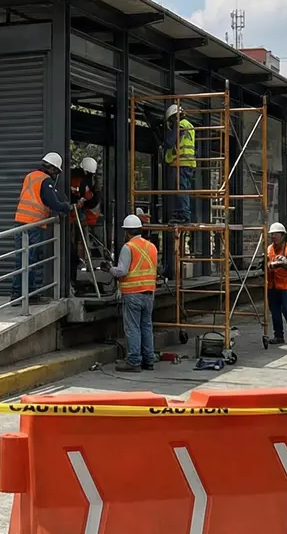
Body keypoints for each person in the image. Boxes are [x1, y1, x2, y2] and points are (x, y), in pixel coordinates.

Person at [13, 151, 77, 300]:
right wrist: (66, 207)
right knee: (30, 259)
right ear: (53, 168)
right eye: (57, 171)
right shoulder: (45, 180)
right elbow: (52, 202)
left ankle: (19, 294)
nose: (56, 175)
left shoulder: (31, 176)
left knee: (22, 259)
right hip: (33, 225)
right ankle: (27, 296)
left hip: (21, 222)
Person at [110, 213, 158, 372]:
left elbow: (122, 271)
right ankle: (149, 360)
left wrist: (110, 269)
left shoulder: (128, 247)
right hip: (149, 294)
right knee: (146, 326)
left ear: (127, 232)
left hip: (132, 294)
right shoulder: (152, 247)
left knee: (133, 328)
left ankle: (133, 361)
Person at [68, 157, 102, 281]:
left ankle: (82, 261)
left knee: (79, 242)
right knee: (78, 242)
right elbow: (86, 197)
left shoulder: (81, 179)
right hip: (77, 215)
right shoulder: (84, 181)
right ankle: (82, 262)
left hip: (80, 215)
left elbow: (87, 198)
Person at [266, 222, 287, 345]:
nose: (273, 236)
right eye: (272, 234)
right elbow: (262, 264)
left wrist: (286, 263)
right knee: (275, 311)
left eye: (275, 234)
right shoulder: (269, 249)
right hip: (272, 285)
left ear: (282, 235)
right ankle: (278, 336)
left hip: (286, 285)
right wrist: (268, 265)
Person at [162, 104, 196, 222]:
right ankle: (182, 212)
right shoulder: (189, 125)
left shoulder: (180, 125)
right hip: (189, 163)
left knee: (181, 189)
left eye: (171, 120)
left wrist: (164, 144)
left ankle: (184, 215)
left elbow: (170, 142)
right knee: (184, 189)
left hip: (181, 163)